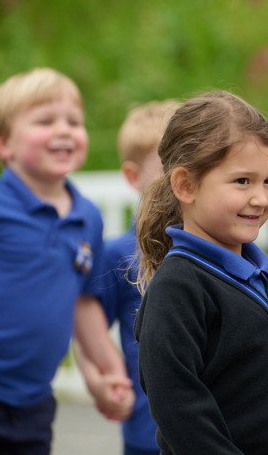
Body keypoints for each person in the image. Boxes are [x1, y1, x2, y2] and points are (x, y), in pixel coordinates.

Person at [0, 67, 132, 454]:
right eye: (45, 121)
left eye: (73, 121)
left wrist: (110, 370)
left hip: (34, 401)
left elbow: (81, 304)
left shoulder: (87, 217)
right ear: (4, 143)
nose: (64, 130)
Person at [134, 90, 268, 454]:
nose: (260, 198)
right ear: (185, 185)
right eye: (242, 181)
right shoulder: (179, 286)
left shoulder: (260, 275)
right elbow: (178, 404)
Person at [75, 100, 180, 455]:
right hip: (147, 431)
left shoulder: (221, 243)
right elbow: (87, 330)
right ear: (133, 176)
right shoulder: (118, 254)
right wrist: (97, 380)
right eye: (166, 166)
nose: (182, 175)